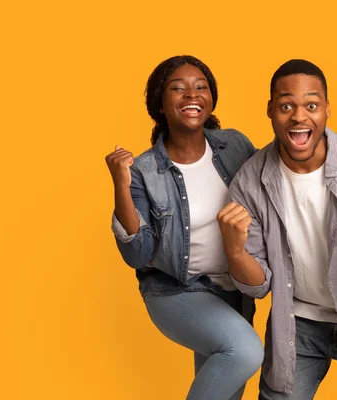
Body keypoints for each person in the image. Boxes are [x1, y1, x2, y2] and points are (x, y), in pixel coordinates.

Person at [217, 59, 337, 399]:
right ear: (271, 110)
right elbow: (258, 287)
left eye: (311, 105)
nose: (299, 116)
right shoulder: (249, 181)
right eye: (286, 105)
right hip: (297, 323)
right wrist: (234, 251)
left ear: (327, 110)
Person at [105, 55, 264, 400]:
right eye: (178, 89)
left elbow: (268, 189)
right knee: (246, 351)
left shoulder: (235, 145)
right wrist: (120, 184)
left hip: (233, 290)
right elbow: (137, 253)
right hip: (176, 291)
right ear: (160, 104)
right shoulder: (144, 170)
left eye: (200, 87)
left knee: (227, 389)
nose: (192, 95)